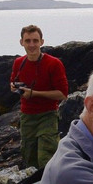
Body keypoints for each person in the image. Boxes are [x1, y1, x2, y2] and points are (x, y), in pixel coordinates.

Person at [10, 25, 68, 171]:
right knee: (30, 159)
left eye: (35, 41)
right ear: (21, 42)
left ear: (42, 42)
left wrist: (34, 93)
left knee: (46, 159)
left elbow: (62, 94)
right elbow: (13, 82)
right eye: (27, 41)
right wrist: (14, 87)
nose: (31, 45)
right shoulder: (18, 63)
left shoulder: (54, 63)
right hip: (27, 117)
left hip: (47, 116)